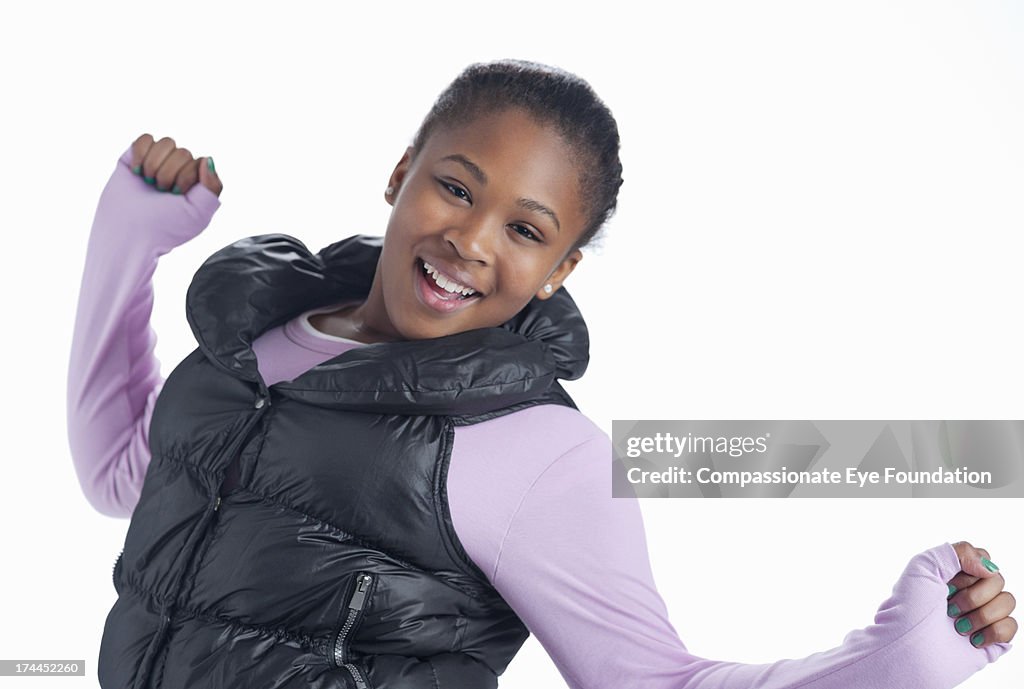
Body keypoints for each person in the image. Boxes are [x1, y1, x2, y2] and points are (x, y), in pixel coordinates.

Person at [68, 60, 1016, 689]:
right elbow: (120, 478)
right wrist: (127, 244)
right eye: (455, 186)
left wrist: (902, 659)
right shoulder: (256, 338)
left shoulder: (538, 454)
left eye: (526, 230)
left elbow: (659, 684)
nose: (470, 241)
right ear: (401, 172)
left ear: (560, 268)